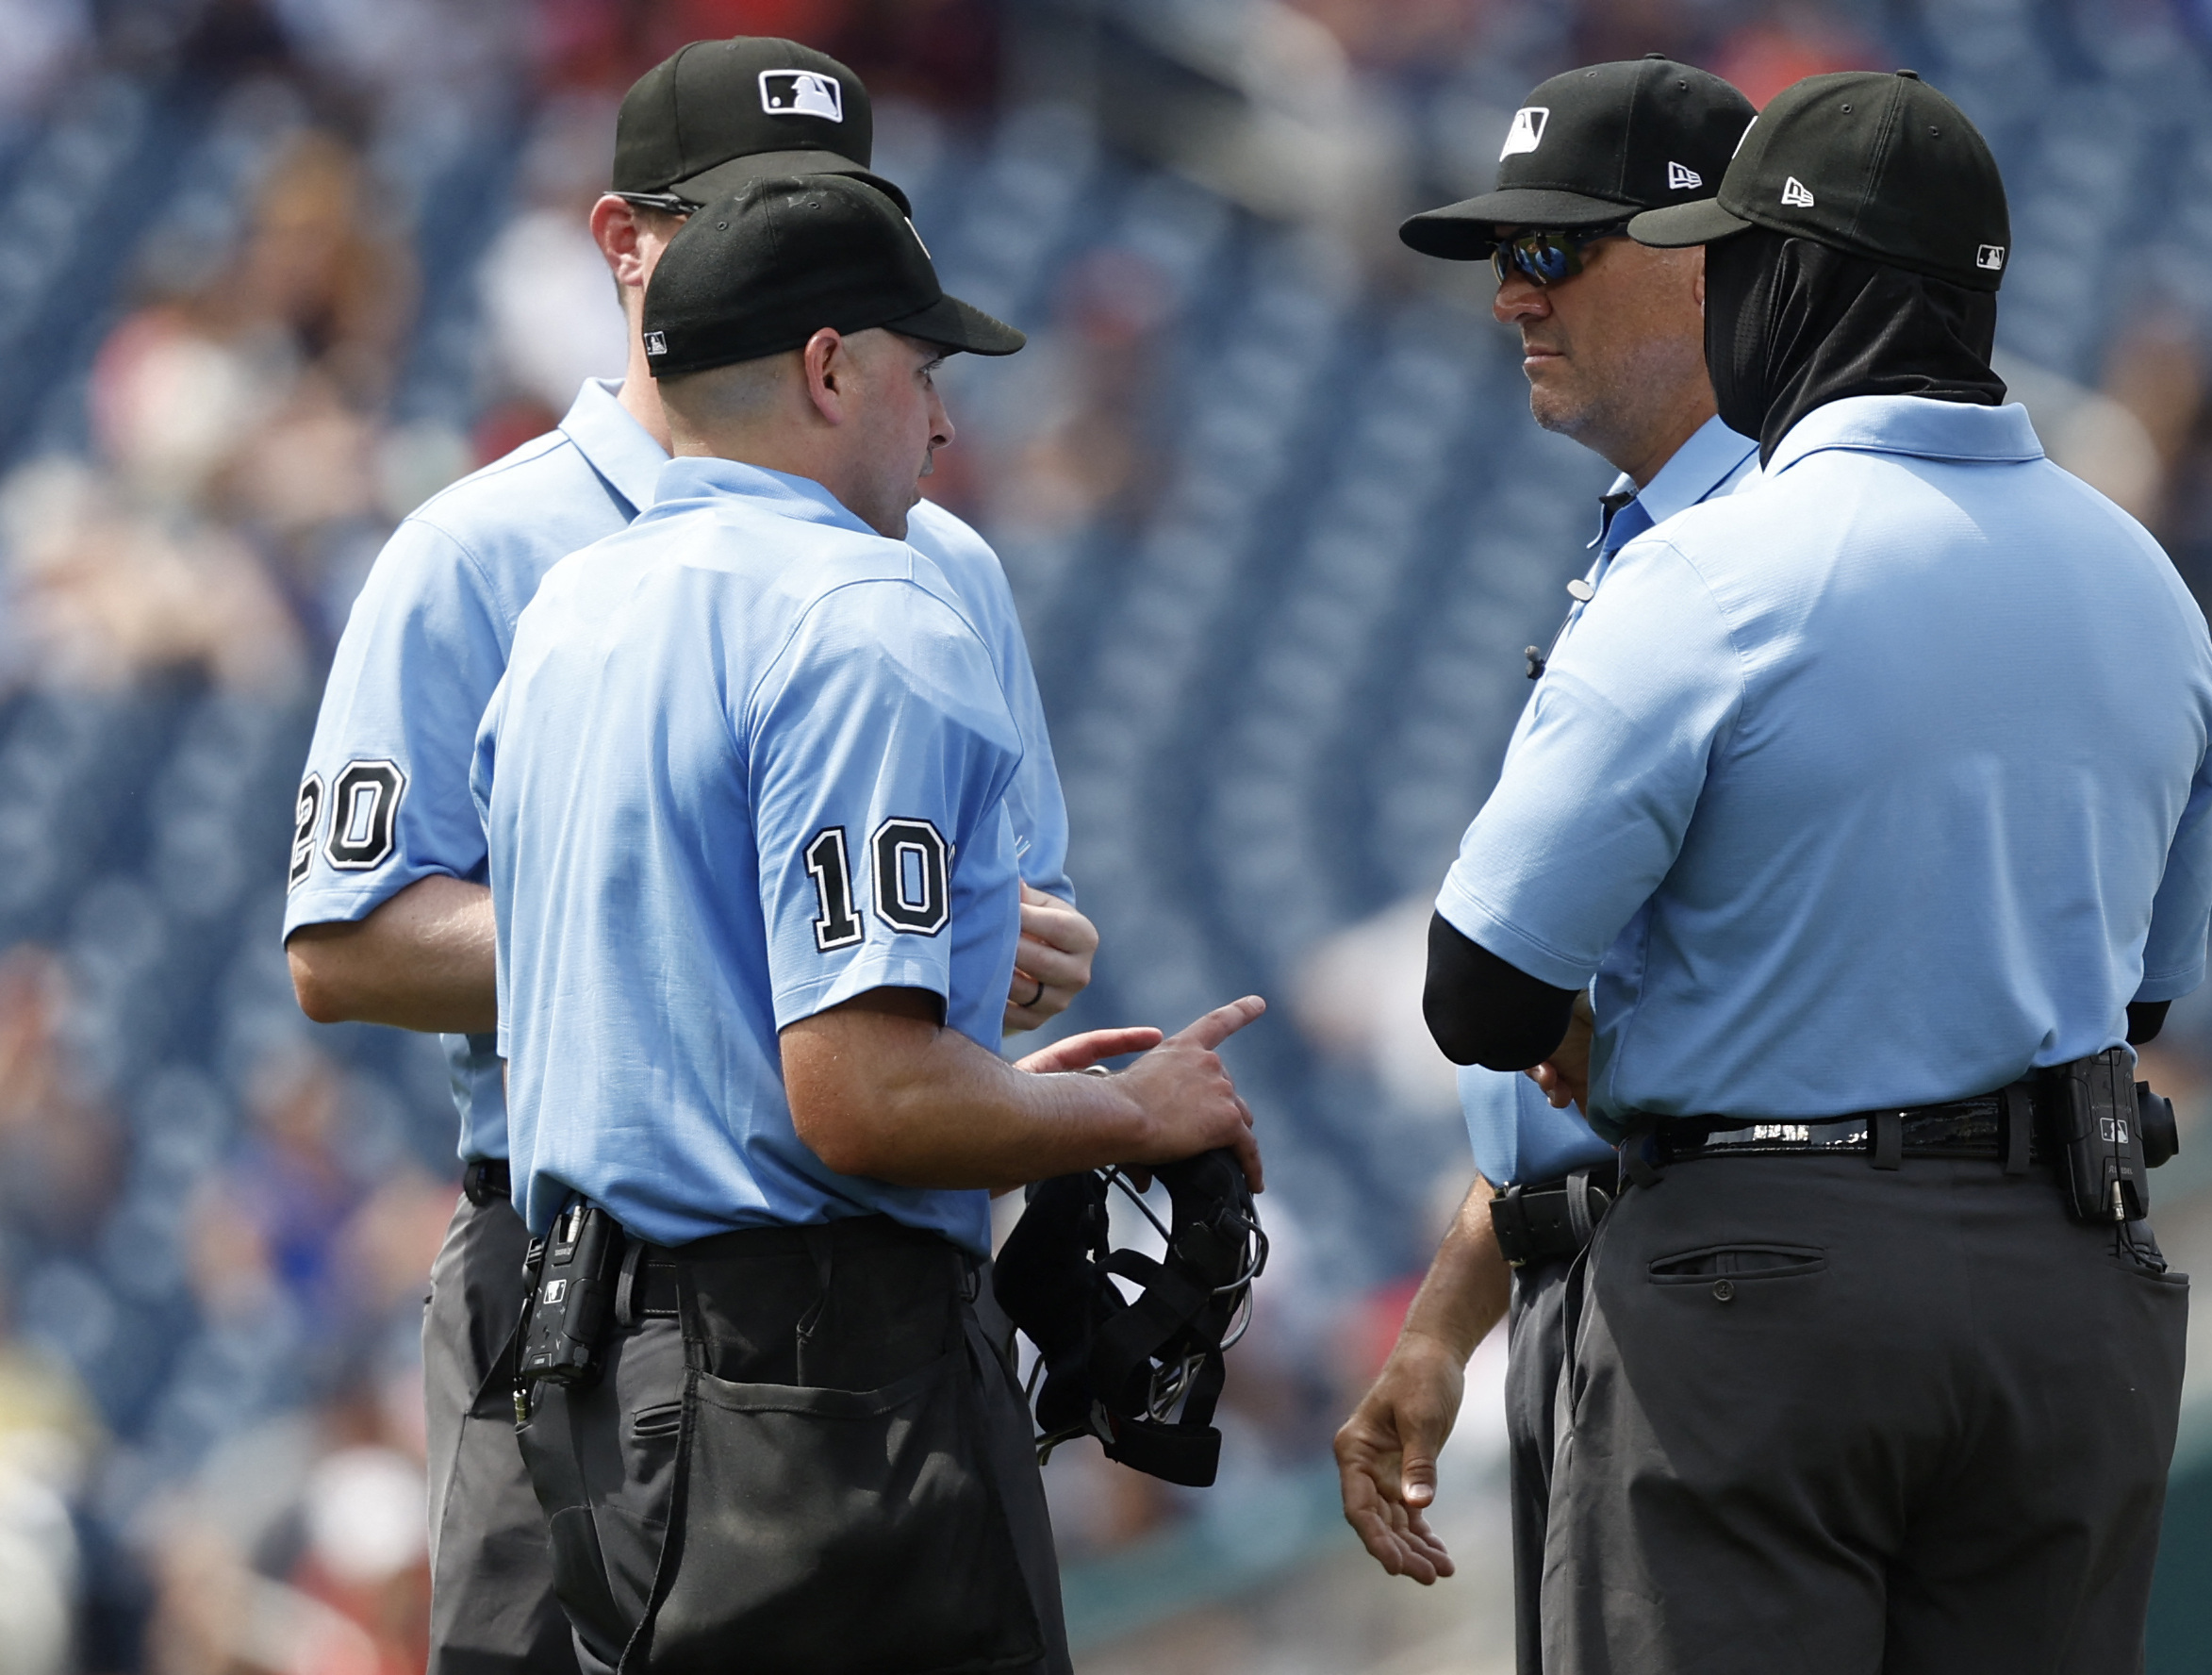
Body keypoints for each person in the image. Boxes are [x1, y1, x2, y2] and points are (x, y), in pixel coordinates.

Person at [280, 38, 1100, 1674]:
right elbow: (343, 946)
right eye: (741, 207)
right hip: (561, 1249)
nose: (776, 234)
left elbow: (1023, 904)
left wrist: (993, 940)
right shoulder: (484, 549)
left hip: (863, 1261)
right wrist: (724, 939)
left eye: (825, 208)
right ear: (623, 242)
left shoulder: (935, 559)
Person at [1418, 71, 2212, 1672]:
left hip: (1758, 1288)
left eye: (1738, 261)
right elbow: (2137, 990)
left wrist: (1621, 1014)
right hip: (2066, 1288)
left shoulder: (1714, 574)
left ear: (1802, 284)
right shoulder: (2148, 580)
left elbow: (1478, 992)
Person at [475, 174, 1263, 1675]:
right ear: (831, 369)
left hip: (591, 1362)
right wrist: (1122, 1110)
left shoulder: (573, 612)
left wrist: (1010, 1106)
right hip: (814, 1385)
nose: (946, 423)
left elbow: (710, 1040)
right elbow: (860, 1096)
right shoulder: (864, 614)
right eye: (925, 370)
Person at [1330, 56, 1756, 1674]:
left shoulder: (1779, 547)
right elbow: (1573, 1040)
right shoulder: (1641, 536)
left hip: (1734, 1281)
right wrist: (1451, 1316)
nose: (1511, 295)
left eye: (1555, 250)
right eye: (1504, 257)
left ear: (1710, 254)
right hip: (1609, 1269)